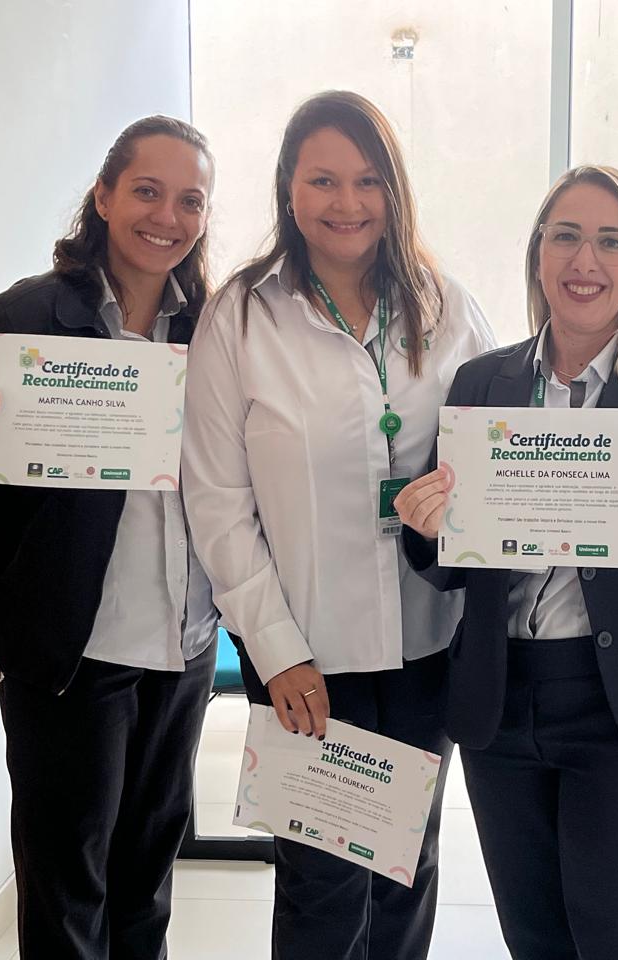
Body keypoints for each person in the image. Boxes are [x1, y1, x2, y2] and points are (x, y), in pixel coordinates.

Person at [395, 164, 618, 960]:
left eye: (612, 242)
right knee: (536, 943)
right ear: (538, 254)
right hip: (502, 704)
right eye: (567, 237)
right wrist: (429, 530)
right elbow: (453, 566)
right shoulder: (481, 383)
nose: (586, 261)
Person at [180, 90, 495, 960]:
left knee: (406, 873)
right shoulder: (243, 314)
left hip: (429, 642)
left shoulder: (449, 307)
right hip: (306, 657)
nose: (346, 202)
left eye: (366, 180)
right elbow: (216, 498)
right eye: (322, 180)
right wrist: (274, 649)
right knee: (320, 890)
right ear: (289, 188)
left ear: (394, 189)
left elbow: (496, 456)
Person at [0, 116, 220, 958]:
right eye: (146, 191)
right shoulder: (26, 314)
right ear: (104, 197)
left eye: (190, 200)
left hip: (182, 640)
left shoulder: (216, 328)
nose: (168, 217)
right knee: (66, 890)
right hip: (70, 646)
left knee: (147, 880)